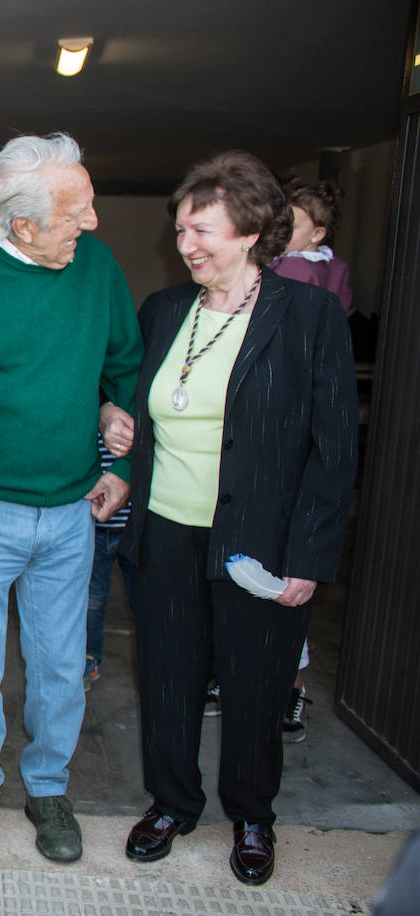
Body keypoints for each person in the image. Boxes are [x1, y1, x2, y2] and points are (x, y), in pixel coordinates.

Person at [115, 151, 356, 886]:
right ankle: (171, 803)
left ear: (252, 231)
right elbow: (139, 407)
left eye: (203, 230)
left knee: (255, 685)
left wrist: (309, 558)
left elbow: (334, 448)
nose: (187, 244)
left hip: (259, 542)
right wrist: (120, 428)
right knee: (167, 678)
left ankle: (252, 815)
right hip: (164, 535)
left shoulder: (308, 315)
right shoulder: (162, 311)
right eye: (182, 229)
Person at [0, 133, 142, 866]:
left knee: (61, 662)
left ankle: (49, 786)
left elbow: (125, 364)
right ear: (21, 225)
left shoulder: (97, 267)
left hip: (72, 510)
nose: (91, 224)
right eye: (75, 212)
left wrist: (117, 436)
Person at [269, 178, 354, 742]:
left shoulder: (294, 275)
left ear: (316, 232)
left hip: (284, 446)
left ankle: (287, 691)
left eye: (290, 222)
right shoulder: (333, 273)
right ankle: (284, 689)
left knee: (279, 581)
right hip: (292, 447)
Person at [85, 432, 132, 691]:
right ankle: (90, 657)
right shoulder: (95, 412)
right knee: (93, 598)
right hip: (97, 526)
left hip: (132, 526)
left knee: (143, 600)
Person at [270, 178, 352, 314]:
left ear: (317, 234)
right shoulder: (337, 268)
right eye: (281, 224)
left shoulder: (291, 268)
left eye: (293, 227)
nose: (282, 231)